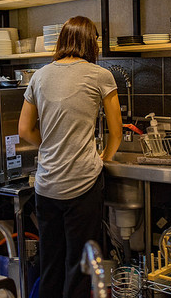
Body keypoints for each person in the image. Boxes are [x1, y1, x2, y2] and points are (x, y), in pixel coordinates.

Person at [18, 16, 123, 298]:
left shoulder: (39, 75)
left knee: (50, 264)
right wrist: (104, 157)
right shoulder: (100, 75)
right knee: (79, 266)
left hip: (46, 185)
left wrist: (49, 144)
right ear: (91, 42)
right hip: (83, 184)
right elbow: (117, 131)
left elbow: (24, 130)